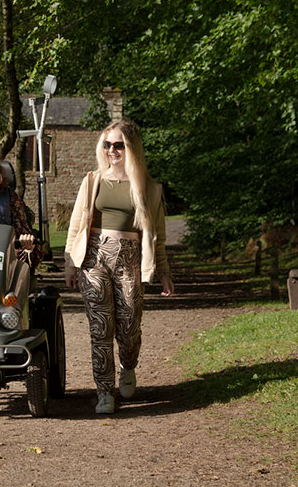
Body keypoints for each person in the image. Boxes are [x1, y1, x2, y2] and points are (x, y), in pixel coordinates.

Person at [63, 119, 174, 415]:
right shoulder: (93, 180)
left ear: (132, 148)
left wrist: (163, 272)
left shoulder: (149, 188)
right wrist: (70, 265)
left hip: (130, 260)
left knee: (128, 326)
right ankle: (104, 392)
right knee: (101, 328)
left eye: (119, 145)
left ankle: (128, 365)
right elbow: (76, 224)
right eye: (107, 144)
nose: (112, 150)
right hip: (94, 258)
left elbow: (158, 236)